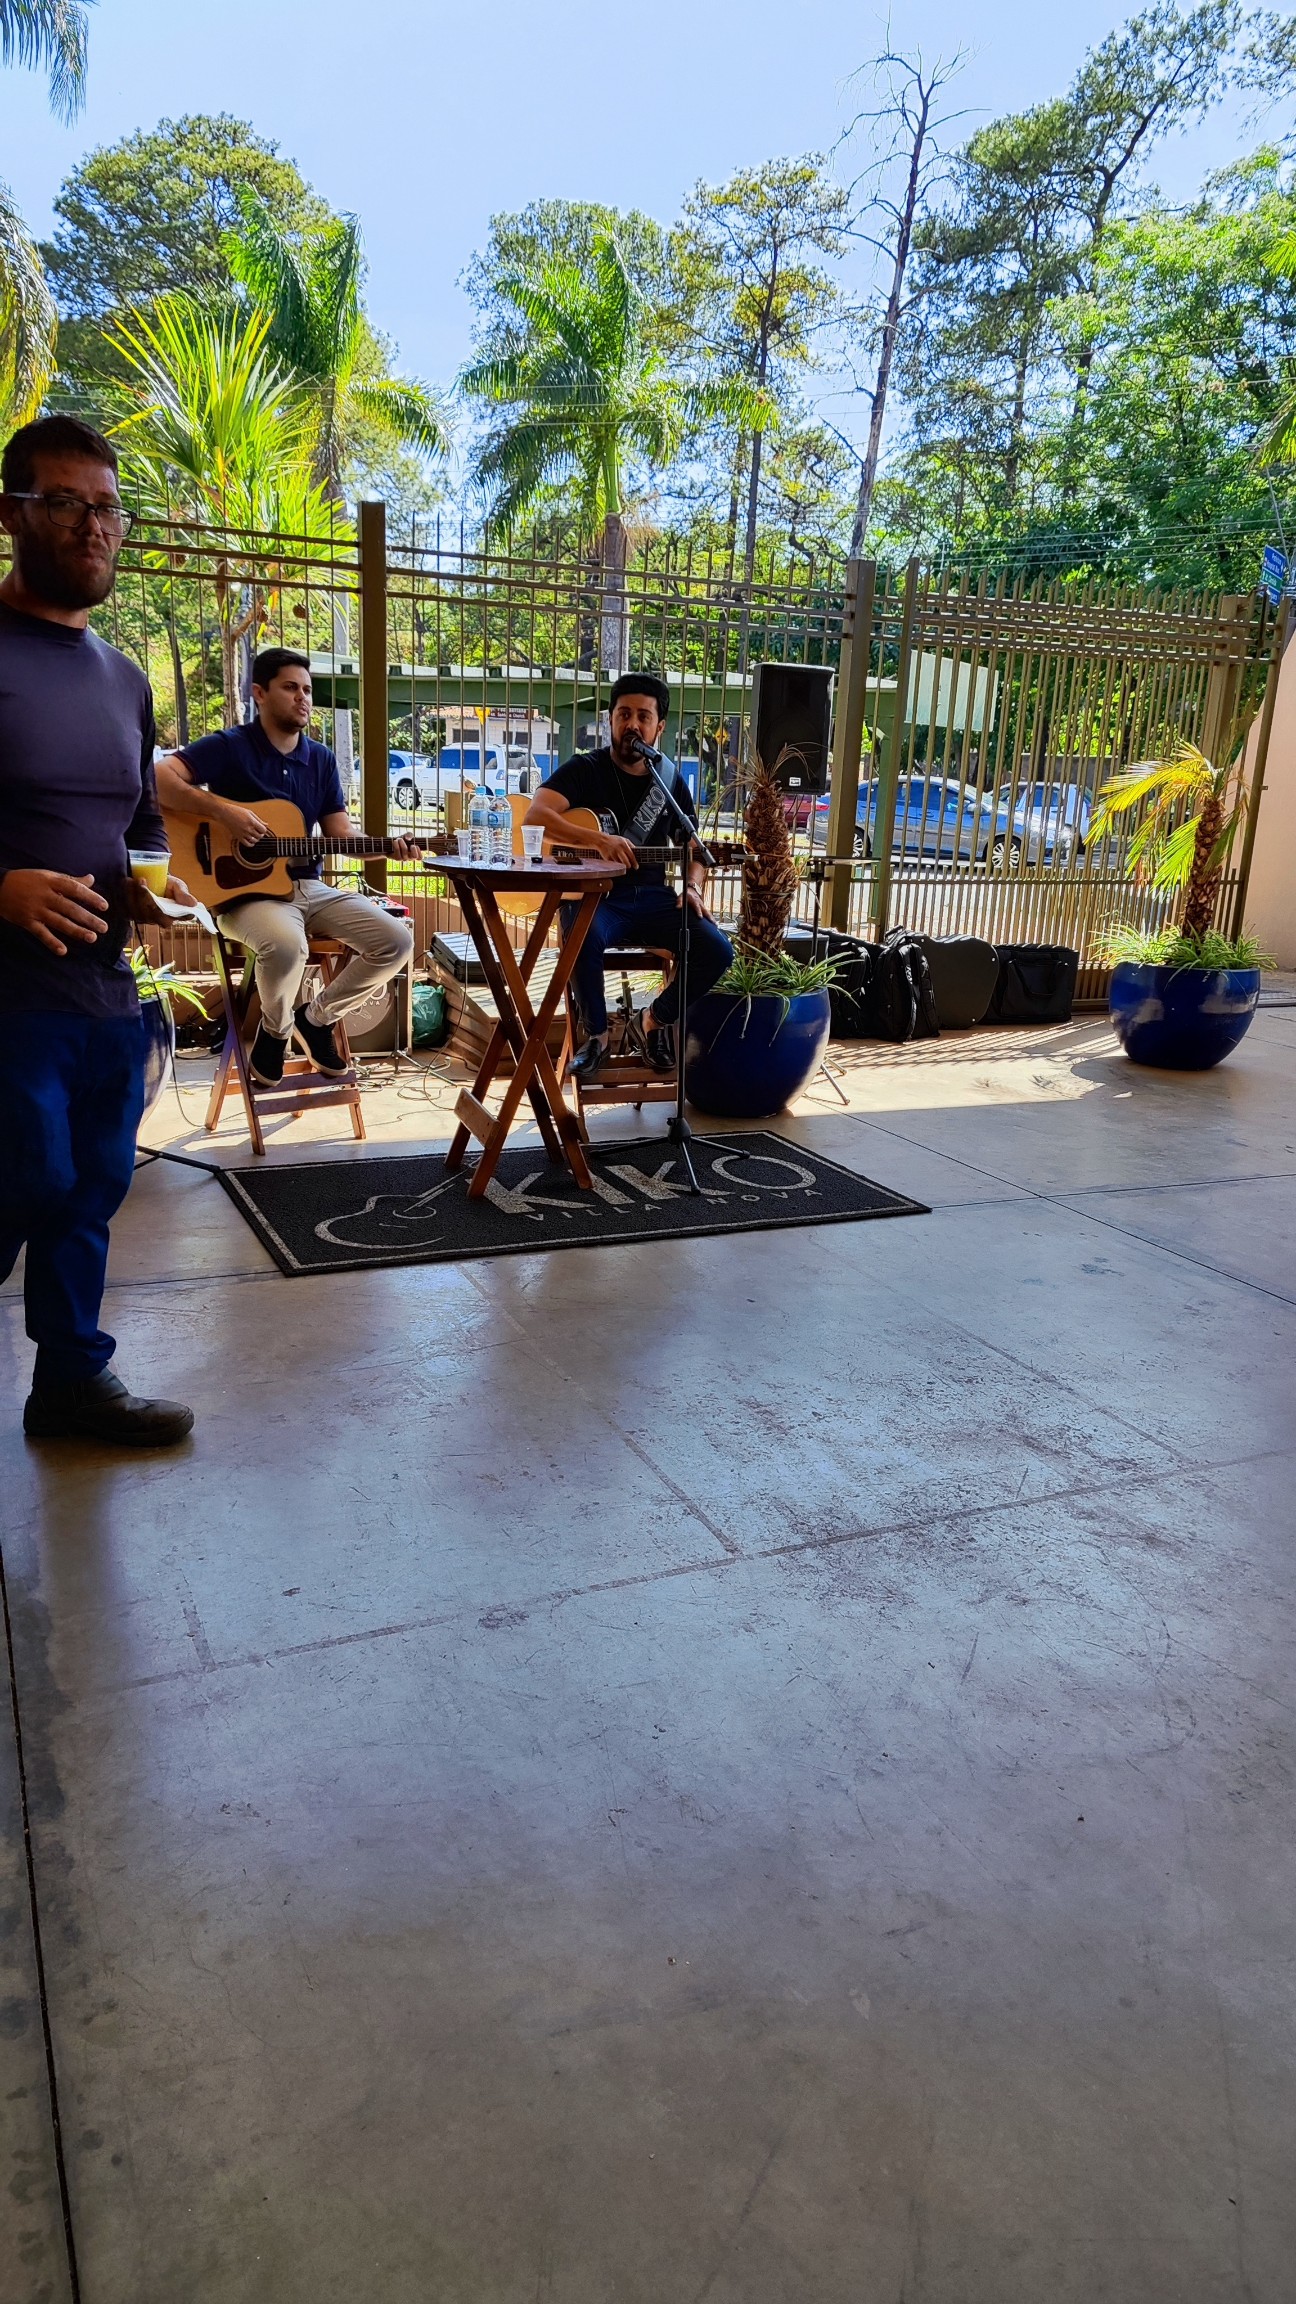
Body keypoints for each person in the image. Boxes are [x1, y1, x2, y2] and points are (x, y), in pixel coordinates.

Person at [0, 414, 195, 1445]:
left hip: (105, 990)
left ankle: (71, 1382)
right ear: (12, 513)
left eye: (109, 507)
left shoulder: (124, 679)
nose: (93, 526)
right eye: (66, 502)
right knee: (19, 1179)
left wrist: (152, 887)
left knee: (90, 1187)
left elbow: (141, 819)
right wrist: (3, 889)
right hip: (9, 997)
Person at [156, 652, 419, 1085]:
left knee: (396, 941)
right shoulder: (230, 747)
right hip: (243, 896)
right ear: (259, 693)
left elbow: (341, 834)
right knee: (285, 945)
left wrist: (388, 849)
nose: (303, 698)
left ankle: (316, 1019)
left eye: (308, 690)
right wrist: (225, 813)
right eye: (291, 687)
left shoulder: (321, 760)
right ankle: (275, 1032)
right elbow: (161, 778)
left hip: (309, 888)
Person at [523, 673, 732, 1081]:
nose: (632, 724)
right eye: (623, 714)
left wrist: (692, 887)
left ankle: (651, 1021)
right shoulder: (585, 769)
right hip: (596, 899)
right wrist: (598, 840)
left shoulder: (668, 781)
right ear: (611, 720)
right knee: (580, 931)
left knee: (717, 950)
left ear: (659, 727)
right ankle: (597, 1037)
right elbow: (536, 816)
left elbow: (694, 849)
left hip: (654, 899)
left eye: (642, 716)